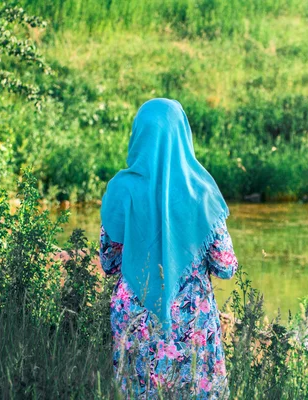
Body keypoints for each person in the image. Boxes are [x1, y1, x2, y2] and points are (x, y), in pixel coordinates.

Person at [99, 98, 238, 399]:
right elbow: (225, 266)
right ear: (183, 134)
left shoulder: (120, 189)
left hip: (135, 316)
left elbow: (109, 263)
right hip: (191, 320)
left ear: (138, 135)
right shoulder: (201, 191)